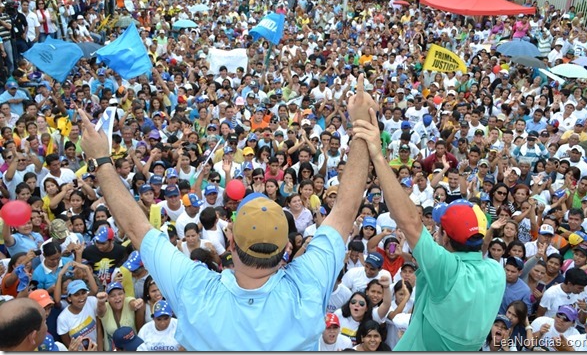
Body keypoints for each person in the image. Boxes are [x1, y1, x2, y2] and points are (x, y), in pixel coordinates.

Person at [73, 82, 373, 350]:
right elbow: (346, 210)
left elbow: (136, 229)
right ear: (285, 250)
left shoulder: (196, 289)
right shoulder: (309, 283)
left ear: (230, 245)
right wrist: (360, 125)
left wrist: (101, 159)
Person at [351, 108, 505, 351]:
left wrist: (378, 155)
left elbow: (410, 222)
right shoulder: (496, 272)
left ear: (444, 236)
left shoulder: (448, 271)